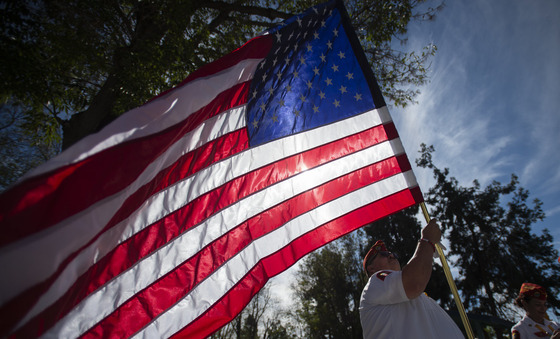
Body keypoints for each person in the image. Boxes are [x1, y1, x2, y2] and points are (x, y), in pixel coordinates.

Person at [359, 219, 464, 338]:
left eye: (392, 253)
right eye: (383, 254)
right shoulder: (375, 282)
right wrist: (427, 240)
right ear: (371, 268)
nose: (391, 255)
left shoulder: (418, 296)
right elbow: (414, 283)